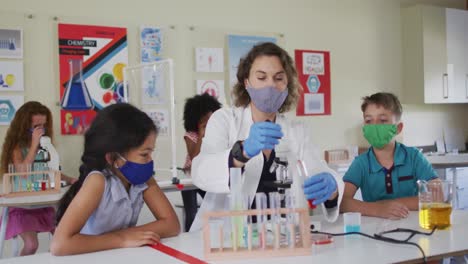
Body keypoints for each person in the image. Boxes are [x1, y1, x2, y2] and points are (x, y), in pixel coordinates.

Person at [190, 42, 344, 231]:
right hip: (228, 237)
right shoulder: (225, 120)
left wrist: (332, 188)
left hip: (283, 237)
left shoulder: (297, 130)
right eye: (261, 77)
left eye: (278, 78)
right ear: (246, 82)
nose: (270, 85)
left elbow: (318, 172)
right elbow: (200, 172)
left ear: (287, 84)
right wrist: (241, 152)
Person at [51, 103, 180, 255]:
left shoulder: (143, 179)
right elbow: (60, 245)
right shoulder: (98, 182)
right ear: (114, 158)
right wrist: (122, 238)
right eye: (144, 154)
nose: (150, 160)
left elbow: (172, 225)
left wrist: (129, 235)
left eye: (151, 153)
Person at [341, 92, 438, 219]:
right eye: (369, 121)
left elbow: (437, 194)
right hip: (373, 230)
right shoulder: (361, 163)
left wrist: (392, 205)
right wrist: (377, 209)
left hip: (414, 226)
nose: (374, 126)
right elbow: (342, 203)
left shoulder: (414, 157)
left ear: (398, 128)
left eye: (382, 120)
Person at [0, 101, 76, 256]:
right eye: (36, 127)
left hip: (43, 205)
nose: (41, 131)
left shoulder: (45, 147)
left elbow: (50, 169)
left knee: (64, 237)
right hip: (22, 207)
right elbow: (24, 172)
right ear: (24, 126)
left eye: (43, 126)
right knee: (32, 244)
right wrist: (34, 144)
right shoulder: (17, 147)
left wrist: (70, 180)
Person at [181, 93, 221, 231]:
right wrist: (201, 134)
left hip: (207, 177)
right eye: (205, 120)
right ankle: (189, 236)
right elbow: (194, 156)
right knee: (191, 212)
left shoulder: (217, 135)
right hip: (190, 178)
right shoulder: (191, 135)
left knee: (213, 207)